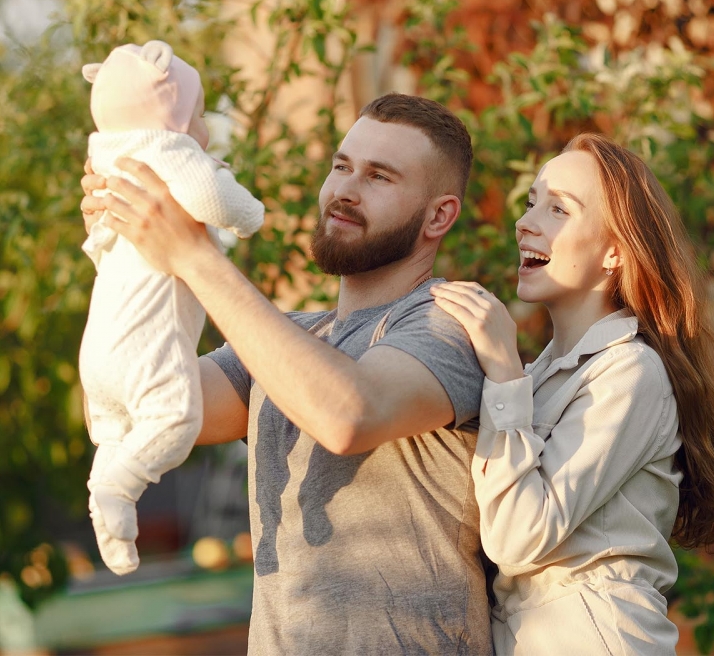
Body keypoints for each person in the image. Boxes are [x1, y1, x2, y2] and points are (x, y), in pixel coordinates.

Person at [80, 93, 493, 654]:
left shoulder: (455, 323)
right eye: (341, 166)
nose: (345, 190)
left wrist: (196, 255)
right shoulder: (289, 339)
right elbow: (131, 406)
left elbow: (347, 415)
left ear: (439, 215)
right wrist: (128, 256)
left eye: (379, 176)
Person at [431, 132, 714, 655]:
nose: (525, 222)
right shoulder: (543, 375)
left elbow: (518, 537)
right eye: (530, 202)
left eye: (559, 209)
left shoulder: (632, 372)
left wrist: (501, 368)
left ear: (615, 252)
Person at [79, 40, 265, 576]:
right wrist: (248, 212)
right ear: (172, 119)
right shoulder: (168, 153)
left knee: (116, 432)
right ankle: (117, 488)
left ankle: (107, 497)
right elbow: (212, 198)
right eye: (200, 114)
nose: (204, 129)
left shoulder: (110, 157)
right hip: (145, 349)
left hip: (101, 351)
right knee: (173, 419)